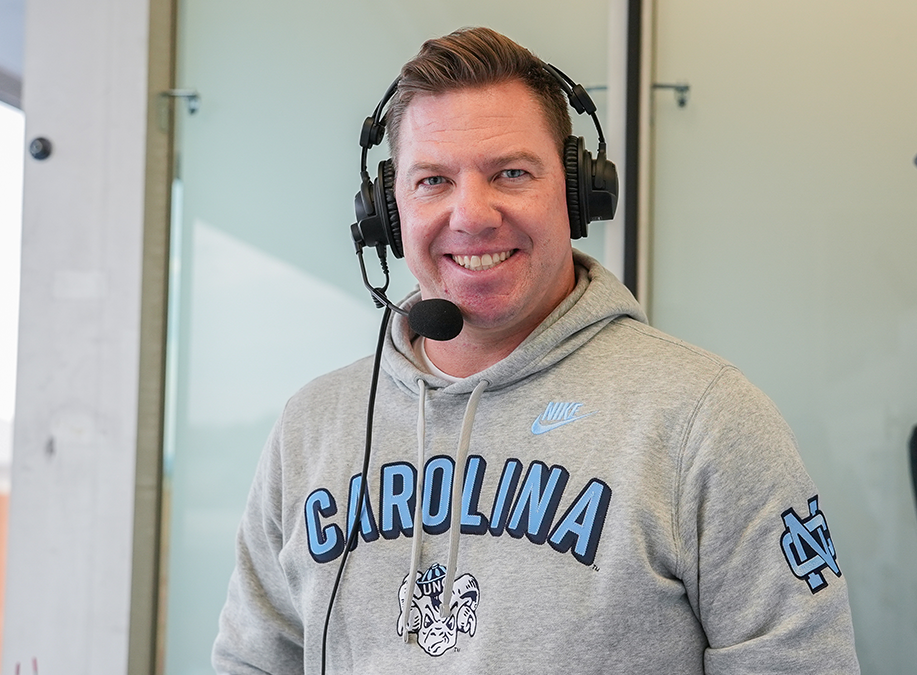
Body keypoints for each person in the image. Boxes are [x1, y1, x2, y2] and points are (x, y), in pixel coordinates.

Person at [213, 27, 859, 674]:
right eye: (433, 180)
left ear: (577, 194)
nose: (471, 215)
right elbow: (252, 661)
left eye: (511, 173)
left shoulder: (706, 421)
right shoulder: (312, 427)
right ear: (387, 212)